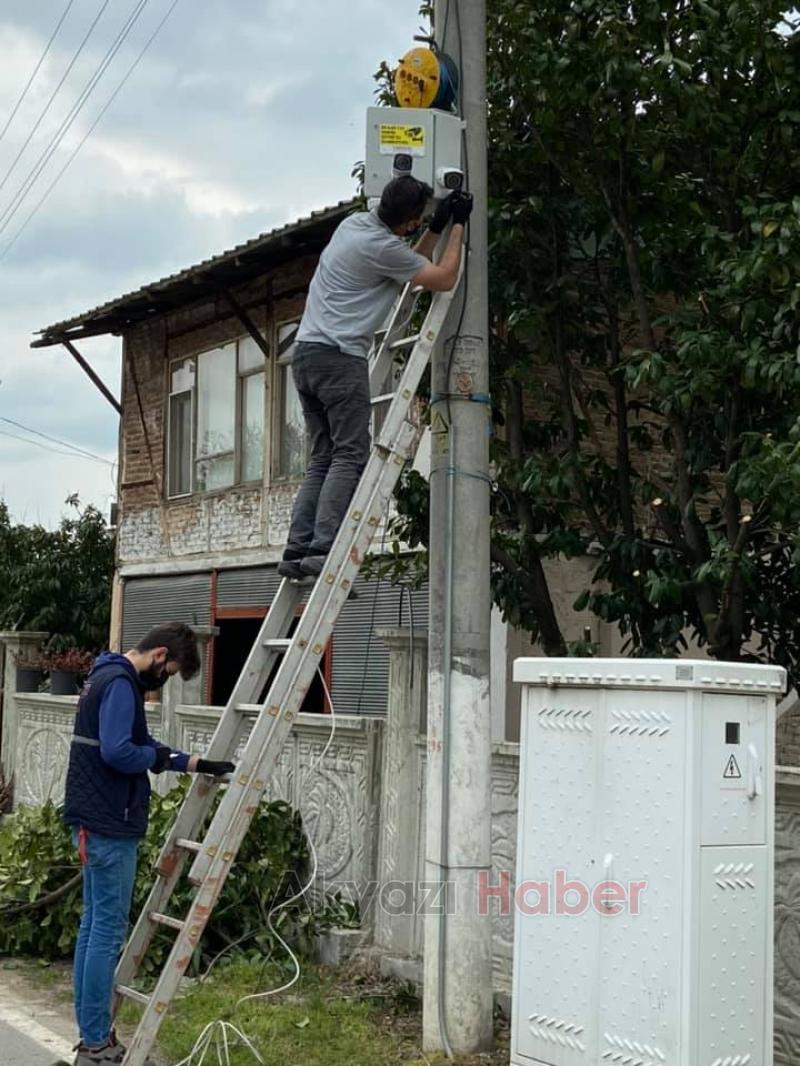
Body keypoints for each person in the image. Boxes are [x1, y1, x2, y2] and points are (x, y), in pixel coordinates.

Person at [277, 174, 473, 581]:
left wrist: (435, 227)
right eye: (417, 222)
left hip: (306, 354)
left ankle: (298, 547)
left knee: (323, 456)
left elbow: (406, 264)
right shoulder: (381, 247)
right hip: (339, 359)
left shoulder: (354, 226)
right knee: (350, 454)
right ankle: (324, 547)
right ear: (408, 221)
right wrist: (458, 226)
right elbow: (443, 278)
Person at [63, 623, 235, 1066]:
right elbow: (119, 752)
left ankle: (91, 1036)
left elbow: (135, 745)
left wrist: (192, 763)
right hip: (109, 822)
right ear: (160, 655)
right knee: (105, 932)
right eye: (170, 672)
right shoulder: (121, 685)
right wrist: (154, 758)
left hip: (93, 819)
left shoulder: (104, 674)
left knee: (94, 928)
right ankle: (96, 1044)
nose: (165, 680)